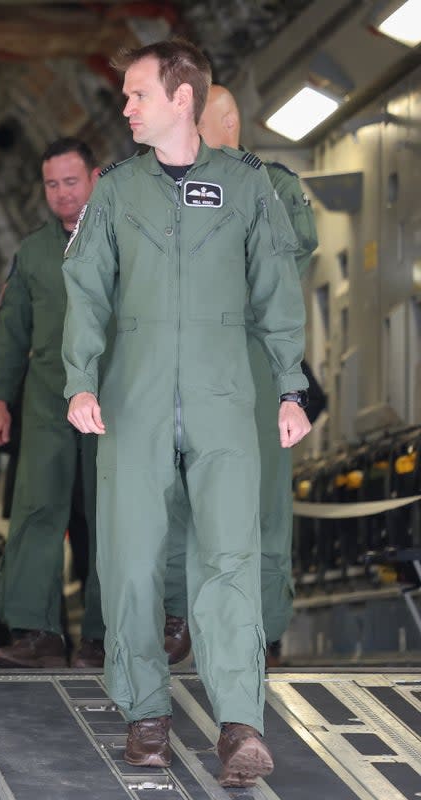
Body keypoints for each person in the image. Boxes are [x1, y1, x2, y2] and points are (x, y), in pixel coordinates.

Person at [61, 39, 310, 787]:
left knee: (229, 558)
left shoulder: (247, 186)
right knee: (132, 563)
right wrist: (80, 380)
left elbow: (276, 286)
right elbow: (86, 289)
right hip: (133, 399)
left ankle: (240, 726)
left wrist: (291, 388)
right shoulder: (116, 191)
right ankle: (145, 715)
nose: (126, 107)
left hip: (225, 396)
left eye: (138, 94)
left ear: (182, 99)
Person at [162, 84, 321, 668]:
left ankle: (266, 624)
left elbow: (293, 250)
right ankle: (180, 615)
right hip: (190, 355)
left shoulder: (271, 183)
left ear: (226, 121)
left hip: (252, 355)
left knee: (263, 497)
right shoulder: (171, 182)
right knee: (181, 487)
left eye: (197, 119)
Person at [0, 138, 106, 670]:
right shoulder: (33, 252)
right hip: (45, 401)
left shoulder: (127, 239)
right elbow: (12, 332)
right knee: (36, 511)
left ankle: (105, 636)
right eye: (52, 184)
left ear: (96, 178)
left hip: (112, 398)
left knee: (111, 517)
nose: (61, 193)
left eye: (71, 181)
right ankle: (38, 633)